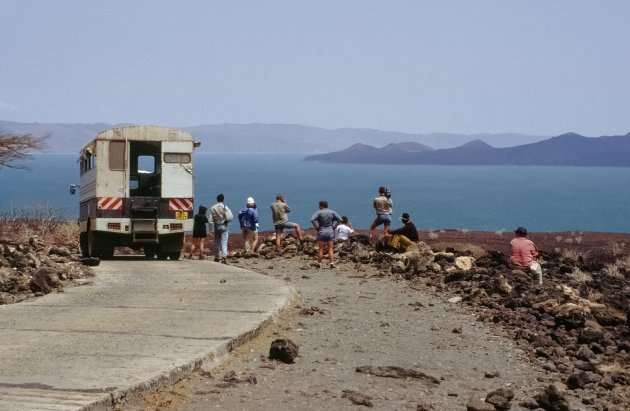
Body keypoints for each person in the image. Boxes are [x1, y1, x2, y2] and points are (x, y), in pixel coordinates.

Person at [310, 200, 342, 268]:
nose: (319, 207)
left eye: (319, 206)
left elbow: (312, 219)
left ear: (322, 205)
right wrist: (334, 227)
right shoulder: (332, 212)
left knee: (321, 249)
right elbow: (340, 219)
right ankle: (331, 263)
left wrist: (317, 227)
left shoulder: (319, 212)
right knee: (330, 249)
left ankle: (319, 264)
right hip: (330, 231)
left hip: (321, 231)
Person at [210, 193, 233, 264]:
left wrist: (211, 230)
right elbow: (230, 216)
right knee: (224, 242)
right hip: (223, 225)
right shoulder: (225, 207)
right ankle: (224, 258)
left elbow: (210, 220)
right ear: (223, 199)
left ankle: (217, 257)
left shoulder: (213, 207)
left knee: (217, 242)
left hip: (216, 226)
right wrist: (226, 221)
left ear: (217, 199)